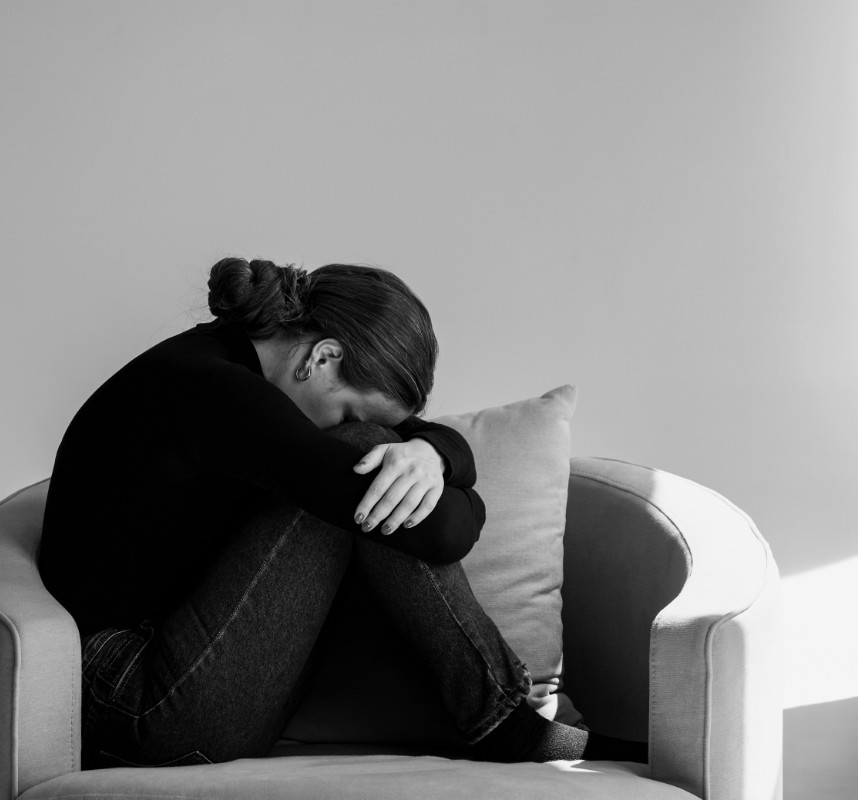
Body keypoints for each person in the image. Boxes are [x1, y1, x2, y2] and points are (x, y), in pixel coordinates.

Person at [39, 257, 647, 769]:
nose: (346, 425)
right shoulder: (215, 393)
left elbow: (421, 457)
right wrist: (416, 454)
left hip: (188, 672)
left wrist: (434, 453)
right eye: (352, 408)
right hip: (138, 699)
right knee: (368, 458)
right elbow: (443, 533)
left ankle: (497, 722)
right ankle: (504, 726)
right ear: (323, 356)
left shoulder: (236, 367)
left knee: (379, 460)